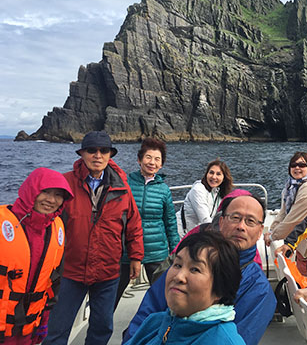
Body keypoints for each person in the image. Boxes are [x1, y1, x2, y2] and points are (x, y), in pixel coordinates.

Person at [123, 190, 277, 345]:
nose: (241, 226)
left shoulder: (258, 289)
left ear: (259, 232)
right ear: (221, 222)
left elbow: (242, 337)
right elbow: (149, 310)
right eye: (235, 218)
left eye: (250, 221)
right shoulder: (189, 259)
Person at [44, 131, 144, 345]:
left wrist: (136, 256)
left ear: (110, 155)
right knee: (57, 329)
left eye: (103, 150)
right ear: (82, 153)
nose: (97, 155)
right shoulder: (64, 183)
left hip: (108, 272)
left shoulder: (122, 188)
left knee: (102, 327)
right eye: (91, 150)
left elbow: (133, 224)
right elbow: (47, 219)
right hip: (70, 271)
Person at [123, 231, 245, 344]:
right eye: (177, 265)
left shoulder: (223, 341)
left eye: (195, 269)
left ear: (220, 289)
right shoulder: (155, 322)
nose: (179, 276)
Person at [0, 168, 73, 345]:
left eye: (58, 194)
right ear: (31, 190)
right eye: (45, 191)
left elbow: (52, 282)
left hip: (28, 328)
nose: (51, 200)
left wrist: (44, 320)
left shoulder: (57, 228)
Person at [115, 138, 180, 309]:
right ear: (139, 159)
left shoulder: (163, 189)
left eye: (157, 159)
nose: (152, 162)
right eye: (148, 157)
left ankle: (160, 330)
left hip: (156, 251)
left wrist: (176, 251)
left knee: (162, 297)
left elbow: (170, 222)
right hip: (126, 251)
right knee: (111, 298)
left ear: (161, 164)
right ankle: (101, 332)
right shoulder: (126, 184)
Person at [176, 159, 233, 236]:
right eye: (211, 173)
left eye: (218, 174)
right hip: (181, 233)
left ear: (224, 178)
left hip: (197, 233)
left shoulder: (218, 192)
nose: (214, 177)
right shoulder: (198, 190)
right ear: (206, 174)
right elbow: (205, 220)